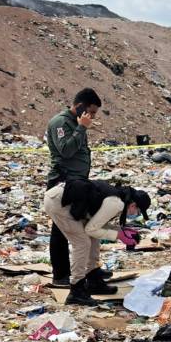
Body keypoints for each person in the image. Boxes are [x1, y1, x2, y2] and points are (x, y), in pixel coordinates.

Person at [44, 179, 151, 306]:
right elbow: (92, 229)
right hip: (58, 203)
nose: (135, 214)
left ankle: (93, 279)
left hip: (63, 198)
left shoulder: (119, 197)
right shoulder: (116, 204)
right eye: (138, 211)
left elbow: (99, 224)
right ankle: (76, 290)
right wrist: (119, 235)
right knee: (82, 243)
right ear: (133, 205)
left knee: (93, 237)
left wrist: (121, 230)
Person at [46, 88, 101, 287]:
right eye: (91, 112)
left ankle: (89, 271)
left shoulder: (77, 122)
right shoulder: (61, 122)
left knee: (79, 222)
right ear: (80, 107)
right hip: (62, 182)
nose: (93, 117)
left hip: (77, 183)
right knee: (60, 229)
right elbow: (66, 150)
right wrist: (82, 128)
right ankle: (60, 275)